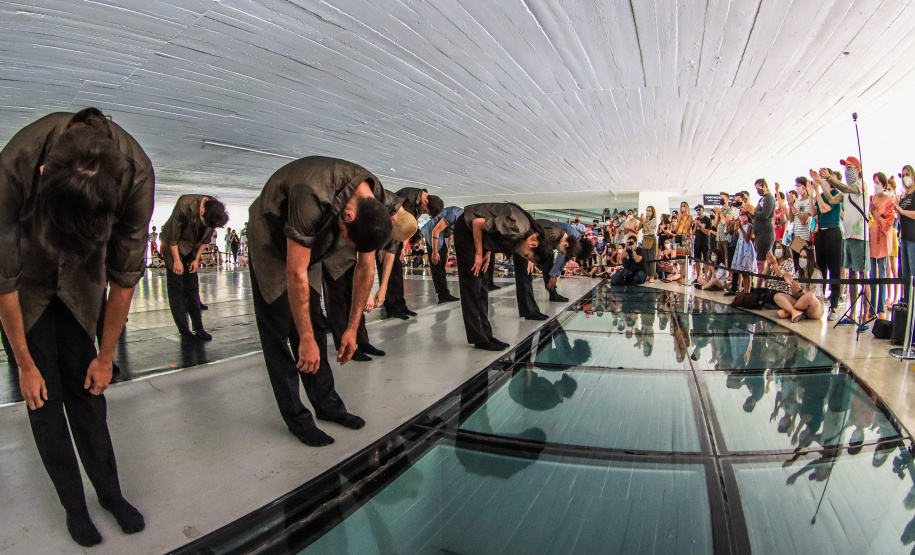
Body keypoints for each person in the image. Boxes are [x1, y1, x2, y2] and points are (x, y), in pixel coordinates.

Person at [0, 108, 153, 547]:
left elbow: (124, 278)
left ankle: (110, 494)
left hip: (83, 281)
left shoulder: (136, 177)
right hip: (26, 282)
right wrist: (24, 364)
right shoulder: (15, 165)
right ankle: (74, 506)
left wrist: (105, 357)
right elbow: (2, 279)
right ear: (44, 174)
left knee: (88, 393)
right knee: (43, 400)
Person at [247, 156, 393, 447]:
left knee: (314, 325)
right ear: (348, 216)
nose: (347, 245)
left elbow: (365, 268)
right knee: (280, 331)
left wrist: (352, 328)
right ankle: (298, 420)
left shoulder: (373, 201)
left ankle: (328, 406)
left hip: (314, 240)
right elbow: (295, 271)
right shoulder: (309, 194)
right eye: (348, 240)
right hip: (271, 238)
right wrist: (304, 339)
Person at [454, 203, 546, 351]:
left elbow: (494, 233)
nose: (523, 256)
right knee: (472, 282)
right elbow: (477, 223)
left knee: (482, 285)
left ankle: (486, 334)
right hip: (466, 227)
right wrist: (479, 253)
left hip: (478, 234)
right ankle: (479, 338)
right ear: (533, 244)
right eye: (527, 256)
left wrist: (487, 251)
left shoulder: (524, 232)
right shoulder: (518, 228)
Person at [161, 195, 228, 341]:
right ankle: (184, 331)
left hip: (192, 247)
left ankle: (199, 328)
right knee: (177, 289)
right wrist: (176, 261)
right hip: (173, 246)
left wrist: (197, 258)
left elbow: (205, 239)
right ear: (202, 211)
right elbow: (172, 237)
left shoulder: (213, 213)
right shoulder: (184, 205)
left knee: (192, 287)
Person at [381, 189, 443, 319]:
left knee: (397, 273)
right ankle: (391, 308)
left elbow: (409, 225)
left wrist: (405, 245)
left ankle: (401, 305)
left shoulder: (419, 204)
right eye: (425, 211)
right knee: (387, 274)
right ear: (425, 201)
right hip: (387, 236)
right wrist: (383, 246)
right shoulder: (407, 197)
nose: (424, 212)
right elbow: (392, 220)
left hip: (397, 237)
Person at [830, 157, 870, 325]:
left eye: (850, 167)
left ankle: (865, 315)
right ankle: (852, 313)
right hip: (848, 236)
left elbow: (846, 188)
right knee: (852, 275)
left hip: (860, 236)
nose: (847, 171)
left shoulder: (861, 185)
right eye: (846, 168)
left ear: (858, 169)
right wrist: (821, 184)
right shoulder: (845, 192)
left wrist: (831, 178)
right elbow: (832, 199)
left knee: (863, 275)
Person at [514, 220, 581, 321]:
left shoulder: (558, 235)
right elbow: (532, 235)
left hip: (528, 245)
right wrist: (530, 256)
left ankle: (532, 309)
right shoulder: (553, 233)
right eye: (562, 251)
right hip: (523, 245)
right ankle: (528, 311)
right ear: (566, 244)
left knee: (532, 272)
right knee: (525, 276)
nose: (560, 252)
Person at [809, 168, 845, 319]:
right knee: (820, 268)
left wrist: (817, 189)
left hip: (833, 233)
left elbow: (824, 208)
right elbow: (814, 212)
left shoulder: (836, 194)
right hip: (821, 233)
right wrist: (811, 194)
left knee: (834, 269)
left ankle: (834, 306)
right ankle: (819, 302)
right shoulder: (821, 194)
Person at [421, 205, 463, 304]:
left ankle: (444, 293)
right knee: (437, 263)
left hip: (442, 234)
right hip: (433, 233)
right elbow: (435, 231)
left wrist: (447, 250)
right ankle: (443, 294)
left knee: (442, 261)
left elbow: (451, 235)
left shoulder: (461, 218)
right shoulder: (454, 213)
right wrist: (435, 252)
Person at [772, 246, 825, 321]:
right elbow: (795, 296)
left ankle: (789, 311)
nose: (802, 259)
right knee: (778, 296)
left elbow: (812, 297)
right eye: (800, 256)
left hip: (814, 307)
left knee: (809, 296)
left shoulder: (816, 273)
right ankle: (794, 311)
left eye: (805, 257)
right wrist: (791, 284)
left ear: (810, 259)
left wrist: (800, 289)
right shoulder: (798, 273)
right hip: (801, 303)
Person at [869, 172, 894, 319]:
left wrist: (876, 214)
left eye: (878, 183)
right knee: (872, 275)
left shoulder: (888, 201)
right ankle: (872, 307)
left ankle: (880, 309)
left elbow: (888, 223)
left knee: (882, 275)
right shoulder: (872, 199)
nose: (876, 185)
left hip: (883, 242)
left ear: (884, 185)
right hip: (871, 241)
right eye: (874, 182)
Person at [893, 165, 915, 304]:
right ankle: (907, 302)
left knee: (913, 272)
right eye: (903, 175)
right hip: (904, 237)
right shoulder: (904, 196)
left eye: (907, 174)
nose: (905, 177)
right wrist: (898, 209)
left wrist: (902, 211)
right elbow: (901, 219)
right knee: (905, 273)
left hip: (913, 238)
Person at [750, 179, 776, 286]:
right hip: (759, 233)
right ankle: (761, 286)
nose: (758, 191)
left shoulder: (769, 198)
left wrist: (751, 211)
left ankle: (761, 286)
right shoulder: (762, 199)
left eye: (759, 188)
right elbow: (757, 215)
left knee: (763, 263)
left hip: (765, 233)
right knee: (760, 262)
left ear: (764, 186)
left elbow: (765, 215)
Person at [787, 177, 813, 269]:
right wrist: (791, 205)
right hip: (796, 238)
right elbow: (791, 219)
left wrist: (795, 209)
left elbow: (804, 220)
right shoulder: (797, 203)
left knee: (805, 265)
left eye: (799, 185)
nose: (797, 188)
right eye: (796, 186)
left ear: (805, 187)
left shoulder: (809, 201)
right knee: (796, 266)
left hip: (804, 238)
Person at [729, 212, 756, 293]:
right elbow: (735, 238)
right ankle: (744, 291)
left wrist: (741, 228)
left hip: (746, 248)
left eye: (743, 215)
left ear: (747, 216)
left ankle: (748, 290)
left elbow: (747, 238)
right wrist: (735, 229)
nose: (741, 217)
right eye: (740, 215)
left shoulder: (749, 226)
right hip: (740, 247)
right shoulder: (739, 226)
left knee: (747, 272)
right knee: (743, 272)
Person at [692, 204, 714, 280]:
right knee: (697, 260)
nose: (698, 211)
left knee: (706, 260)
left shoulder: (707, 220)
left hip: (705, 242)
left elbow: (708, 232)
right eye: (697, 210)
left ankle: (706, 277)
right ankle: (698, 277)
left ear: (703, 210)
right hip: (697, 242)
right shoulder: (696, 219)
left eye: (699, 209)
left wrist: (700, 226)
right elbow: (693, 233)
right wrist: (696, 226)